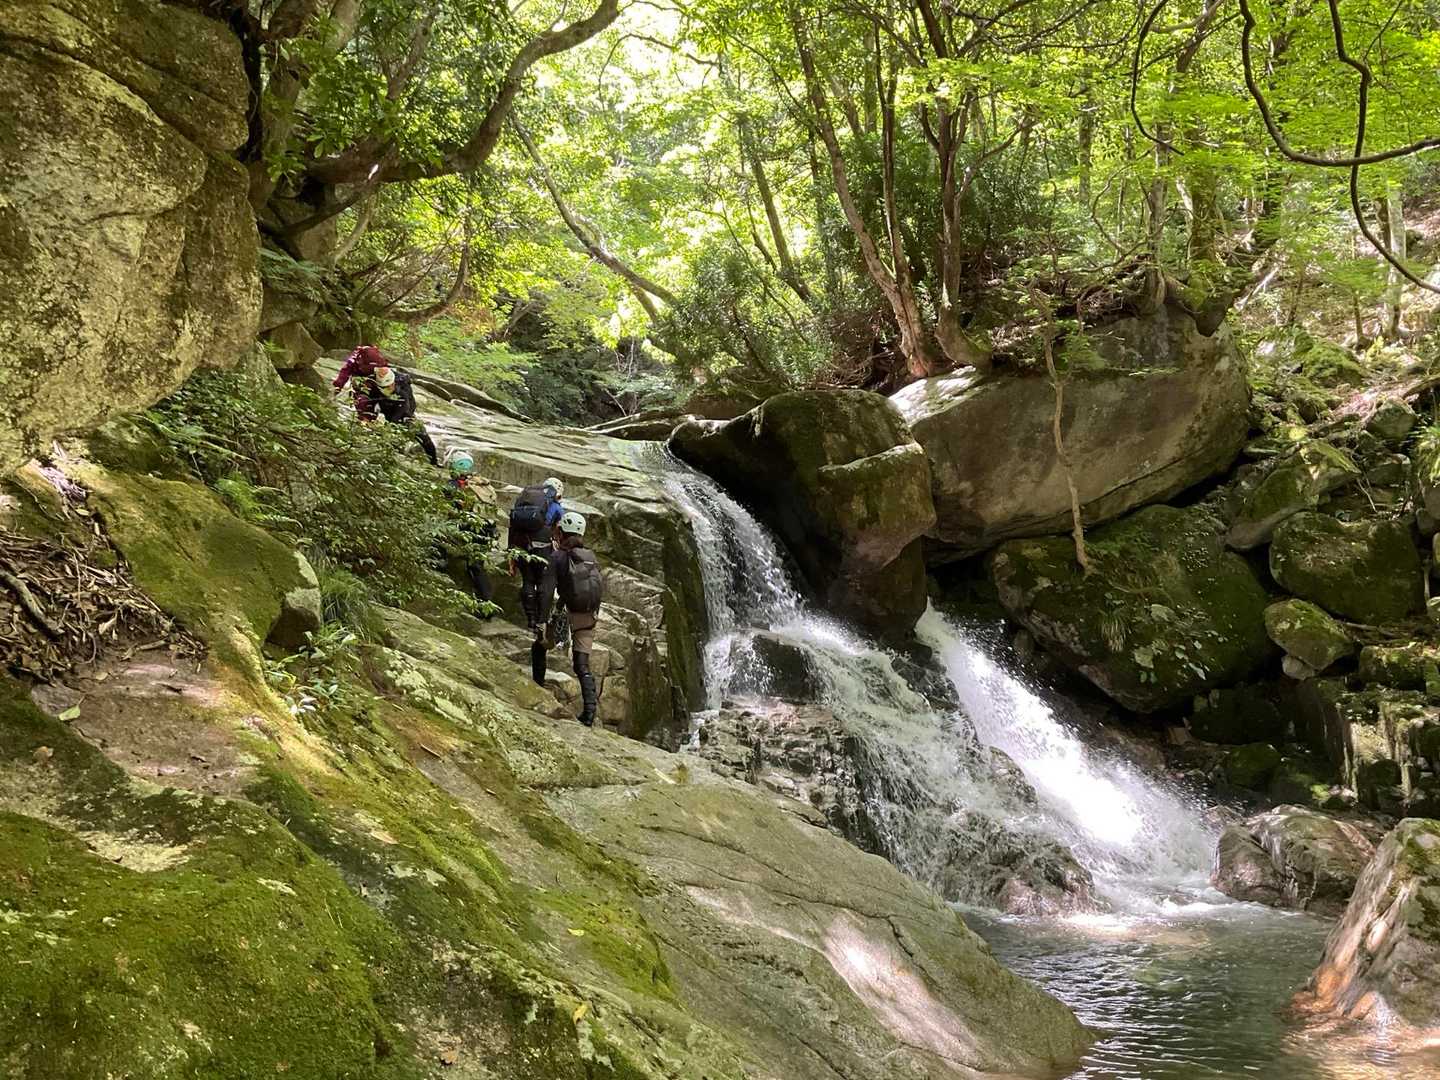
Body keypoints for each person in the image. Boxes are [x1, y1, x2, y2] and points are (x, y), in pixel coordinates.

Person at [536, 511, 604, 726]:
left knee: (540, 646)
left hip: (564, 613)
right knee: (582, 664)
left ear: (561, 532)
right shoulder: (590, 556)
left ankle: (537, 689)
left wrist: (541, 619)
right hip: (588, 614)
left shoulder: (558, 557)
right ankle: (589, 714)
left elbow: (547, 591)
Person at [506, 476, 565, 636]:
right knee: (544, 583)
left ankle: (531, 620)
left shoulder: (524, 501)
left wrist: (510, 552)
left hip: (521, 546)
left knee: (528, 581)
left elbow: (512, 526)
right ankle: (541, 621)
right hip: (542, 547)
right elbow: (560, 529)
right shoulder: (556, 507)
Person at [440, 448, 496, 613]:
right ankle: (485, 602)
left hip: (471, 529)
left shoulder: (454, 485)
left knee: (439, 537)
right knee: (477, 565)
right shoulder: (482, 483)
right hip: (487, 529)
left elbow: (449, 510)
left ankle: (440, 567)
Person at [355, 364, 438, 465]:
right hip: (384, 405)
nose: (389, 388)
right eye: (385, 387)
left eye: (390, 385)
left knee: (420, 433)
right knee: (382, 429)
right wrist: (367, 418)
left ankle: (434, 461)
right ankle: (385, 454)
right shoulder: (372, 385)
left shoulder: (403, 386)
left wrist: (396, 422)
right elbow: (365, 401)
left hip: (403, 408)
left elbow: (407, 406)